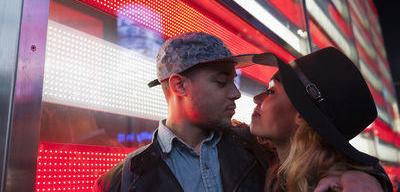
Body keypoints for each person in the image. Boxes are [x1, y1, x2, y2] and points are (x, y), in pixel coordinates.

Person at [93, 32, 390, 192]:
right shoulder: (124, 178)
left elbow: (322, 152)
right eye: (222, 82)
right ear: (179, 85)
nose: (237, 93)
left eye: (234, 82)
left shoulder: (260, 148)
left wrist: (371, 178)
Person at [249, 47, 393, 191]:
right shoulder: (255, 153)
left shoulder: (332, 187)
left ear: (301, 114)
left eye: (271, 91)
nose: (257, 98)